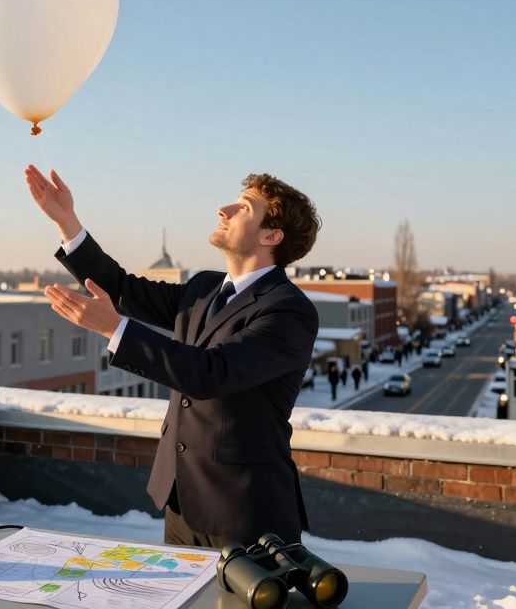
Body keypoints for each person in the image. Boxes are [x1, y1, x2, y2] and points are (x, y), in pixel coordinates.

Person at [24, 165, 320, 548]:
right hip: (181, 500)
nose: (224, 209)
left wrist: (115, 329)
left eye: (244, 207)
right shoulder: (203, 288)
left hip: (246, 511)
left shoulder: (289, 311)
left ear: (271, 235)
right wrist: (67, 222)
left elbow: (211, 373)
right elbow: (122, 289)